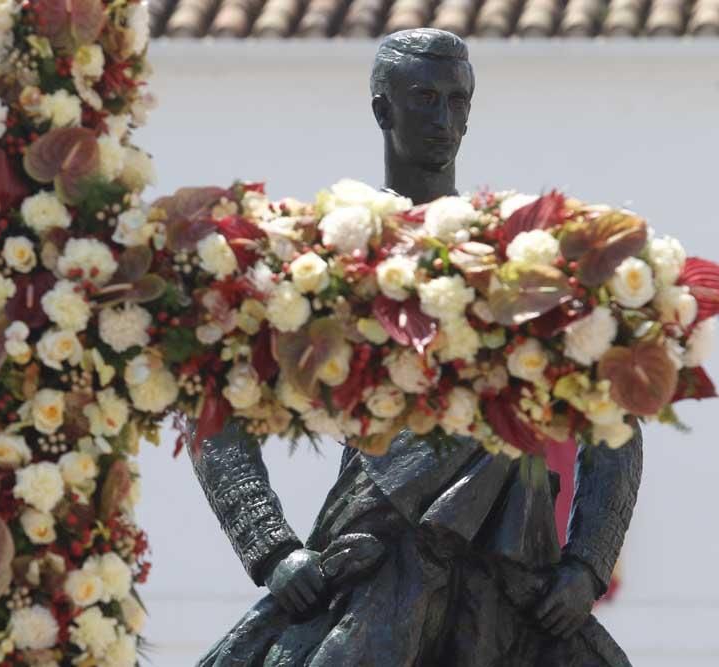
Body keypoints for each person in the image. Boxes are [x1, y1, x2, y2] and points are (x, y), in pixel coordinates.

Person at [190, 29, 642, 666]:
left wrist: (587, 566)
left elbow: (616, 414)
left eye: (459, 102)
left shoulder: (517, 259)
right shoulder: (328, 255)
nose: (446, 120)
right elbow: (213, 400)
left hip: (513, 573)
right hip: (381, 555)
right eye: (425, 98)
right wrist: (274, 551)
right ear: (383, 109)